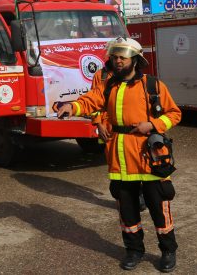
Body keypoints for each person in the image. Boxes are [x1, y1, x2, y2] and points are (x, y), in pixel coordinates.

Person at [56, 37, 181, 272]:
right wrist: (71, 107)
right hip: (120, 159)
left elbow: (174, 114)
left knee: (159, 209)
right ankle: (134, 251)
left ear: (135, 59)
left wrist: (152, 125)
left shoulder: (153, 85)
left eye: (123, 56)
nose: (118, 60)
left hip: (150, 159)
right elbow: (90, 101)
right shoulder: (108, 85)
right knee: (128, 213)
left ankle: (168, 251)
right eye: (115, 56)